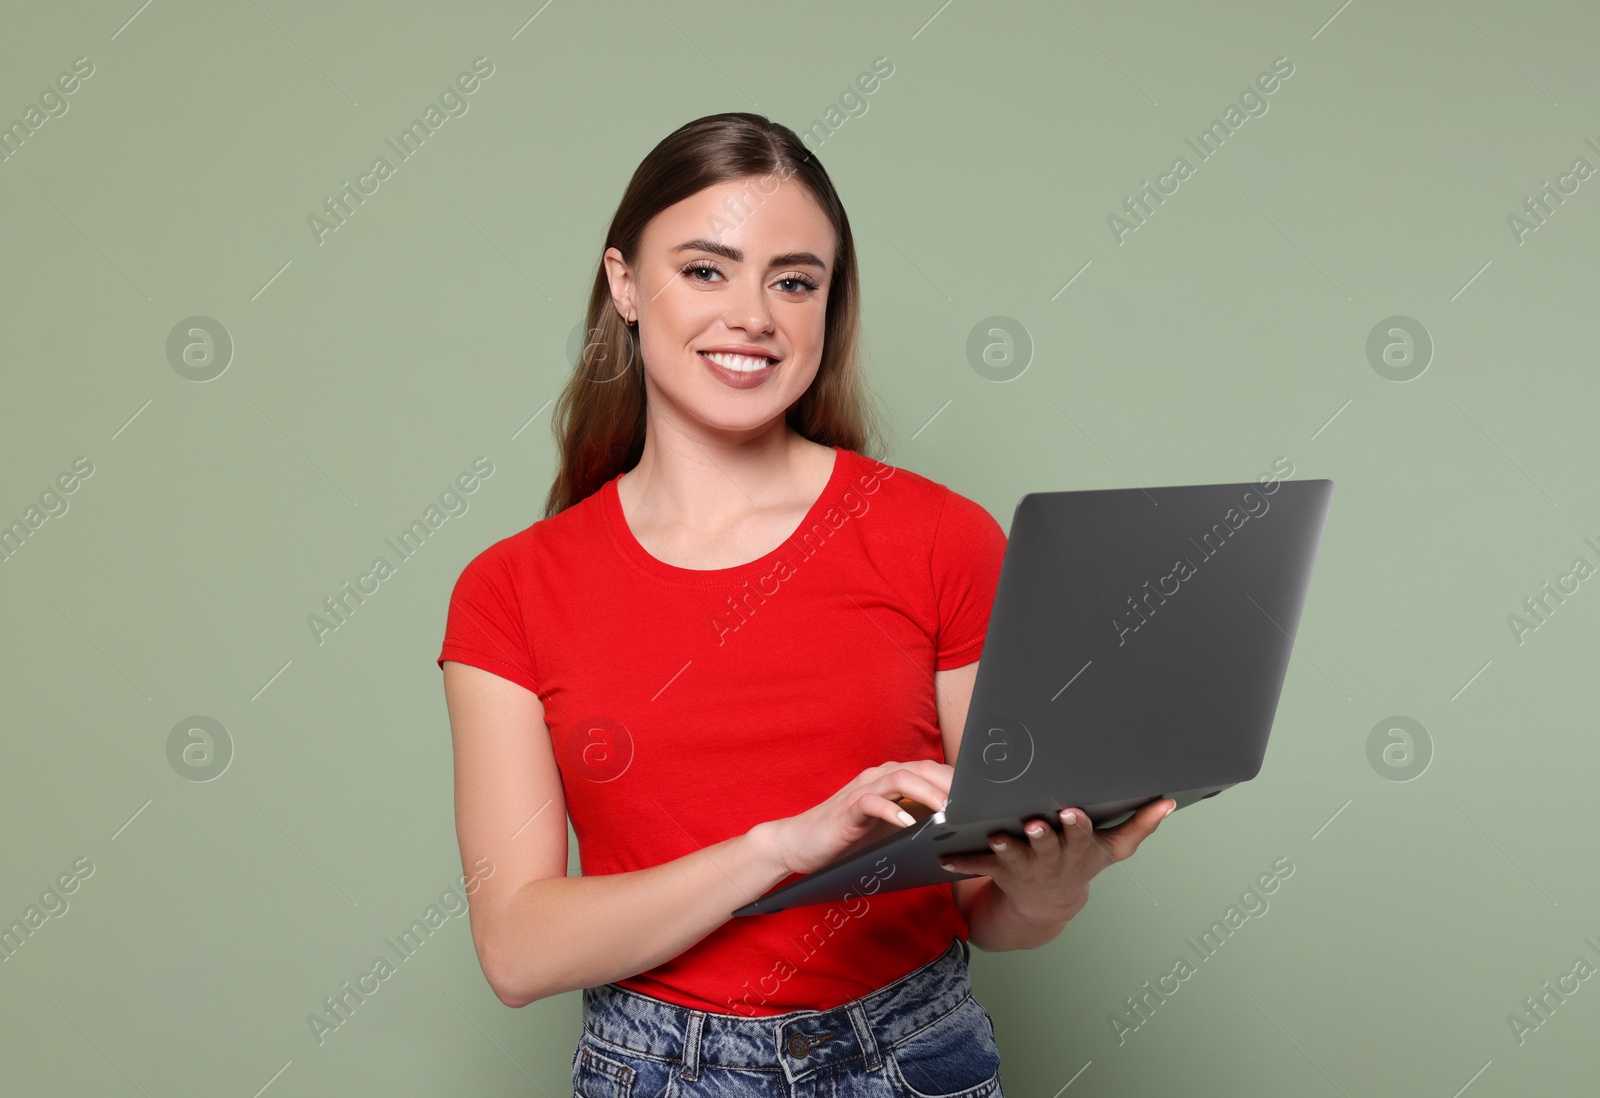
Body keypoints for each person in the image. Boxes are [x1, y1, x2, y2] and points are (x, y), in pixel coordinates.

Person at [436, 111, 1173, 1097]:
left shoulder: (939, 540)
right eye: (705, 270)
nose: (753, 315)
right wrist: (781, 847)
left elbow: (988, 907)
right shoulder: (510, 591)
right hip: (655, 1072)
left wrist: (1051, 890)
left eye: (793, 280)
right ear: (624, 286)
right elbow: (517, 949)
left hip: (915, 1058)